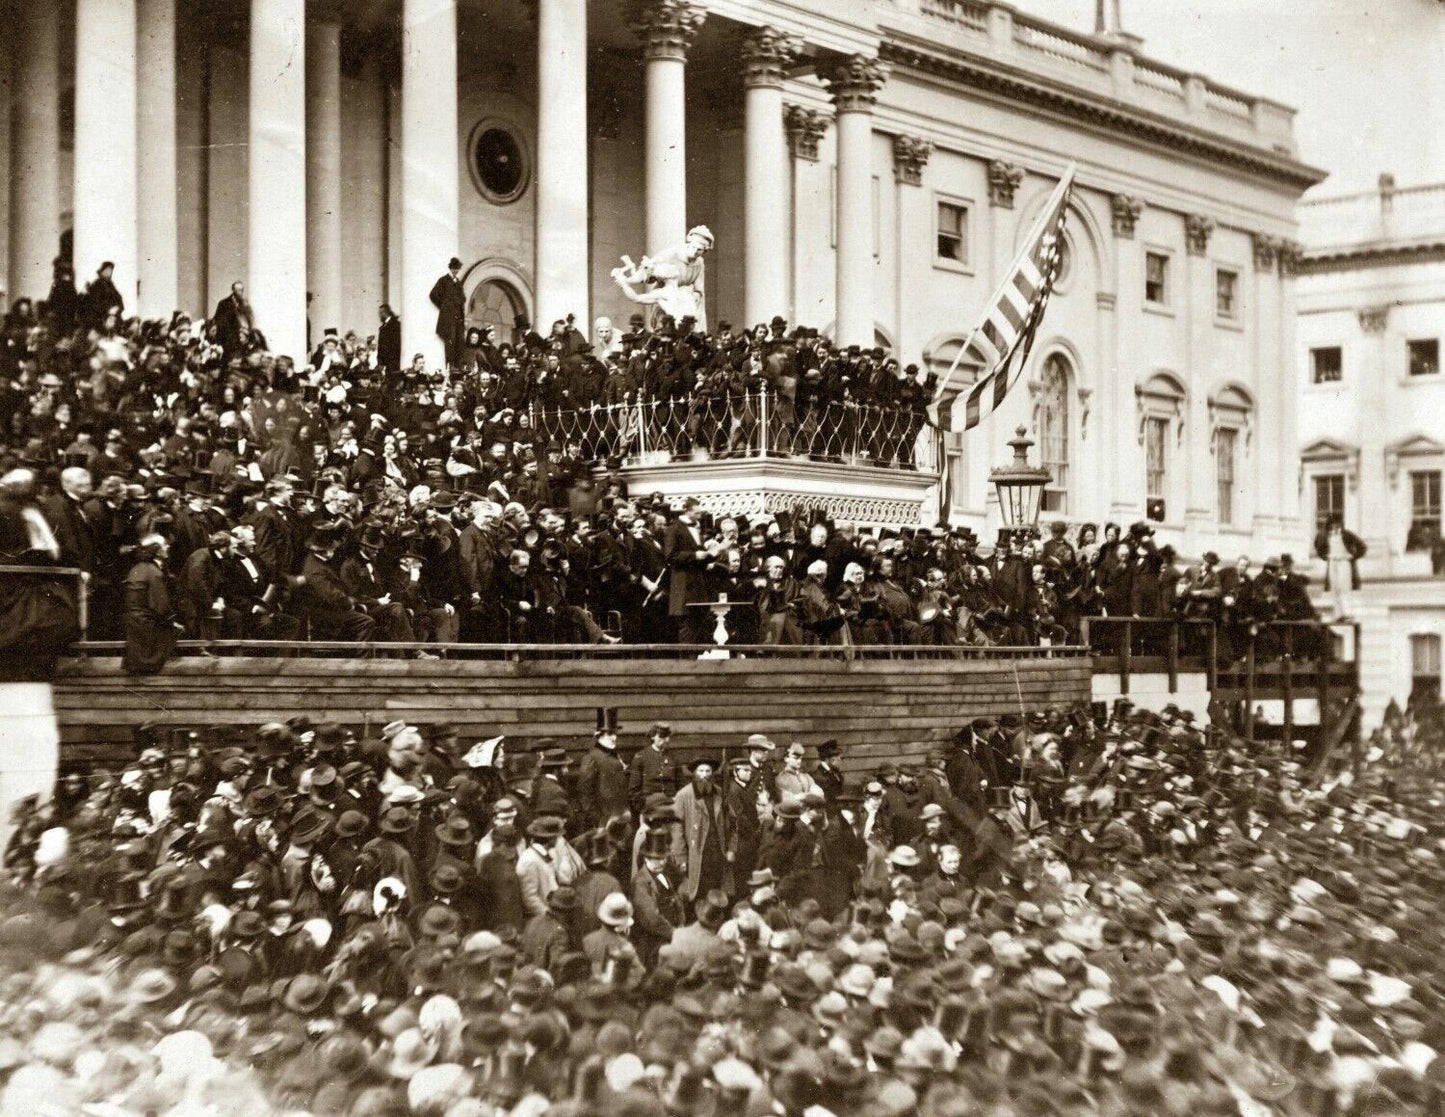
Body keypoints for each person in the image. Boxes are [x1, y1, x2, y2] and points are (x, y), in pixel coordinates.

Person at [122, 533, 180, 674]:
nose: (167, 547)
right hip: (146, 627)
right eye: (164, 545)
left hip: (133, 625)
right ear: (158, 550)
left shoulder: (137, 568)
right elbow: (161, 607)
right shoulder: (154, 573)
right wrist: (173, 622)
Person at [429, 257, 466, 369]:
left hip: (458, 319)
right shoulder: (443, 281)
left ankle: (458, 368)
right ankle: (450, 368)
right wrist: (444, 306)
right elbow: (433, 295)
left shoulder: (458, 283)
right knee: (450, 342)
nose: (456, 271)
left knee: (459, 344)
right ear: (450, 268)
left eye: (457, 269)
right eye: (454, 268)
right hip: (448, 320)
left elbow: (463, 298)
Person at [212, 281, 254, 356]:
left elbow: (249, 321)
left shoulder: (244, 305)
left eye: (241, 290)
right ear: (233, 290)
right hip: (228, 340)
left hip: (241, 340)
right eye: (238, 290)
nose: (240, 292)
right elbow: (218, 321)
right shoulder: (224, 303)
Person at [377, 303, 401, 375]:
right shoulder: (384, 326)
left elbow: (396, 344)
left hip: (392, 362)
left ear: (384, 313)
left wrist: (388, 361)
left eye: (380, 313)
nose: (379, 316)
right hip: (386, 362)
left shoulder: (395, 325)